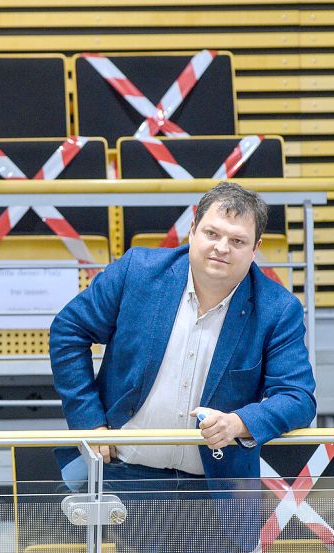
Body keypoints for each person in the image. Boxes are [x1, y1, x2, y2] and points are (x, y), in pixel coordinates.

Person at [49, 181, 317, 552]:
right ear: (192, 231)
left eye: (237, 241)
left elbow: (298, 397)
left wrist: (240, 423)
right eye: (212, 233)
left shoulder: (278, 309)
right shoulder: (137, 272)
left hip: (217, 489)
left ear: (256, 249)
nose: (222, 248)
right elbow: (68, 331)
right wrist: (88, 419)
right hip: (126, 478)